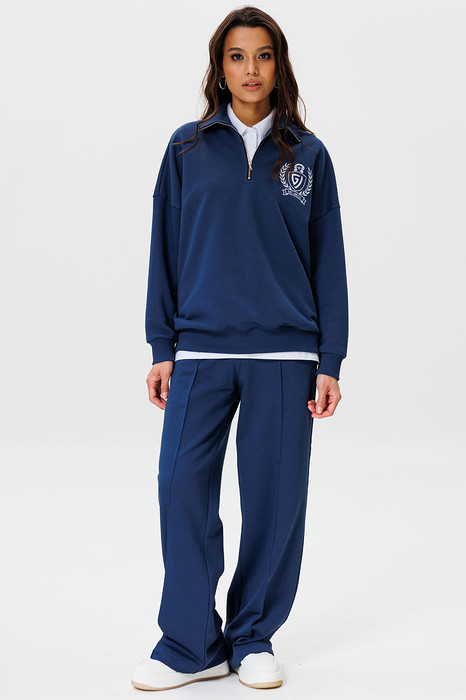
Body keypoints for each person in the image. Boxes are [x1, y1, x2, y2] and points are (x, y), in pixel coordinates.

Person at [131, 5, 349, 692]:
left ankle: (253, 636)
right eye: (236, 56)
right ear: (218, 67)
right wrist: (161, 344)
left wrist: (330, 360)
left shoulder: (308, 155)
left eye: (262, 55)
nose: (250, 69)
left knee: (274, 502)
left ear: (278, 66)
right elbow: (164, 249)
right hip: (199, 350)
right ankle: (191, 644)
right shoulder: (186, 149)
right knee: (179, 486)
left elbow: (329, 262)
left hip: (286, 358)